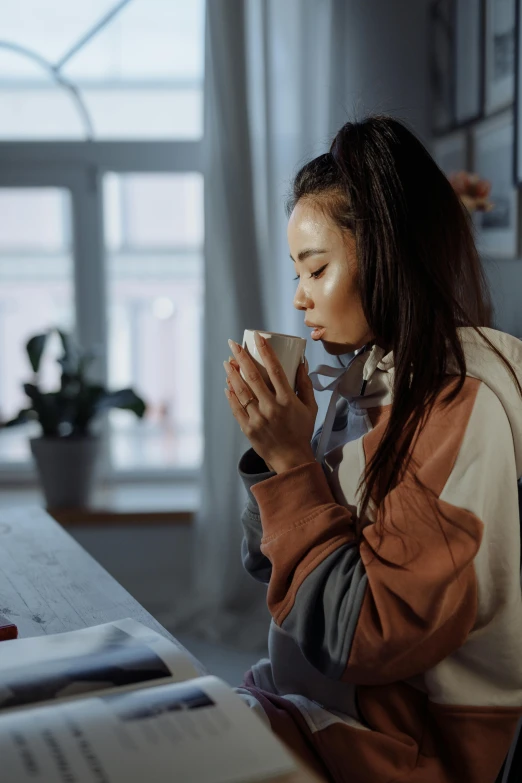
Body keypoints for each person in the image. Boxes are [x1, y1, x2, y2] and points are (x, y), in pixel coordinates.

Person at [222, 115, 522, 783]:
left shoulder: (458, 403)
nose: (299, 297)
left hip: (398, 749)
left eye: (317, 268)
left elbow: (367, 629)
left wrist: (294, 463)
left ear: (385, 251)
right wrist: (275, 452)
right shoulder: (370, 376)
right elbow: (267, 562)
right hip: (318, 707)